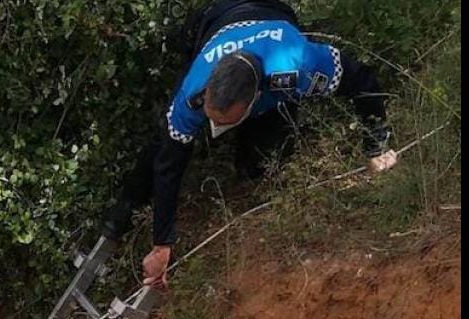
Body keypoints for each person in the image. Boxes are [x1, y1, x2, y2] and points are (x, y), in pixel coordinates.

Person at [101, 0, 398, 288]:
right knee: (163, 140)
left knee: (262, 163)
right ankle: (122, 211)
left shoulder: (298, 66)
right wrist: (161, 242)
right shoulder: (195, 89)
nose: (216, 127)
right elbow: (169, 163)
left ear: (255, 98)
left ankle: (254, 140)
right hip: (221, 15)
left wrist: (376, 146)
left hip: (271, 12)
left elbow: (364, 81)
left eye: (224, 122)